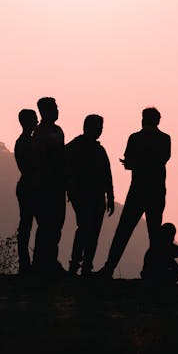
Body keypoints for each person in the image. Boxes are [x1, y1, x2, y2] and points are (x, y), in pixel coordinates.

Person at [98, 107, 170, 277]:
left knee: (123, 231)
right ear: (158, 120)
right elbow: (162, 160)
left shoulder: (135, 138)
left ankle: (109, 269)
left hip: (137, 191)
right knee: (154, 233)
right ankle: (155, 271)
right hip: (157, 191)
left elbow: (129, 163)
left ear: (143, 119)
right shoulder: (165, 139)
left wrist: (136, 162)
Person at [65, 114, 115, 276]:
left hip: (93, 196)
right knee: (87, 229)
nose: (100, 131)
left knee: (90, 230)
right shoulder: (78, 147)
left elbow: (107, 175)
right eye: (99, 127)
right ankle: (79, 264)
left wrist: (110, 197)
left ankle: (83, 264)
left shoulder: (93, 148)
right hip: (84, 195)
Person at [31, 97, 67, 274]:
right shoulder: (40, 133)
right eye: (55, 108)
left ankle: (49, 261)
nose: (58, 110)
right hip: (46, 185)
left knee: (56, 225)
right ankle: (42, 263)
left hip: (58, 184)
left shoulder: (57, 130)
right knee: (47, 225)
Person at [14, 108, 39, 274]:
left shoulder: (25, 141)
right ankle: (26, 263)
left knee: (27, 224)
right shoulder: (25, 142)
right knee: (28, 225)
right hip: (30, 187)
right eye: (34, 119)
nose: (36, 122)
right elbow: (28, 167)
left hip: (28, 186)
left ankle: (28, 263)